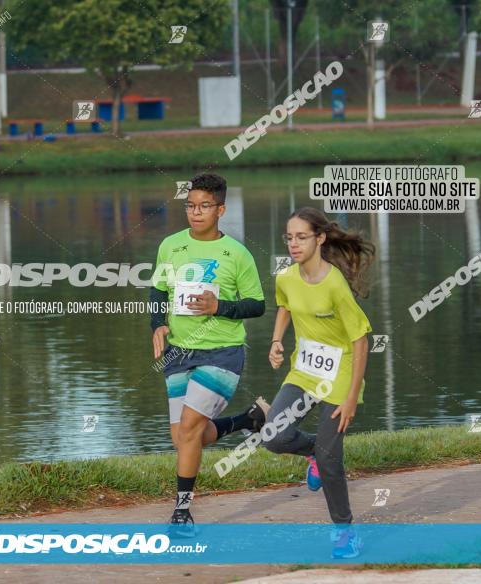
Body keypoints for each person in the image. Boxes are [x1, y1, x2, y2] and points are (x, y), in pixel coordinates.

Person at [150, 172, 270, 537]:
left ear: (221, 210)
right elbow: (157, 289)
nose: (196, 213)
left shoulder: (237, 253)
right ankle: (248, 421)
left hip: (222, 353)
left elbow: (257, 305)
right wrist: (158, 324)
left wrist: (218, 306)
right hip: (178, 354)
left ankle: (182, 513)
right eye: (190, 206)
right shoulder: (170, 245)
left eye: (204, 207)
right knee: (184, 438)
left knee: (188, 430)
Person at [263, 206, 374, 559]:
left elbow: (360, 341)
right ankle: (311, 450)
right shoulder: (286, 277)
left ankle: (345, 532)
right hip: (305, 372)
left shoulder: (335, 285)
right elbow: (285, 306)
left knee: (331, 459)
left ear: (320, 238)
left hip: (340, 374)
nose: (293, 244)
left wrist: (352, 397)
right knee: (274, 435)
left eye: (301, 237)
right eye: (289, 237)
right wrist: (277, 341)